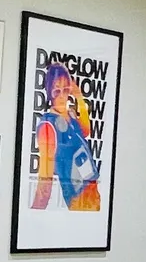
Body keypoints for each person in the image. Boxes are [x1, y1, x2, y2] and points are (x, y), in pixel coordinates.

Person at [32, 62, 101, 211]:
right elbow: (45, 179)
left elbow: (86, 131)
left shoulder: (70, 114)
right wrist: (33, 214)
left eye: (66, 89)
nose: (63, 96)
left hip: (92, 190)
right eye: (57, 91)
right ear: (50, 92)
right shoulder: (47, 125)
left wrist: (78, 95)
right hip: (77, 197)